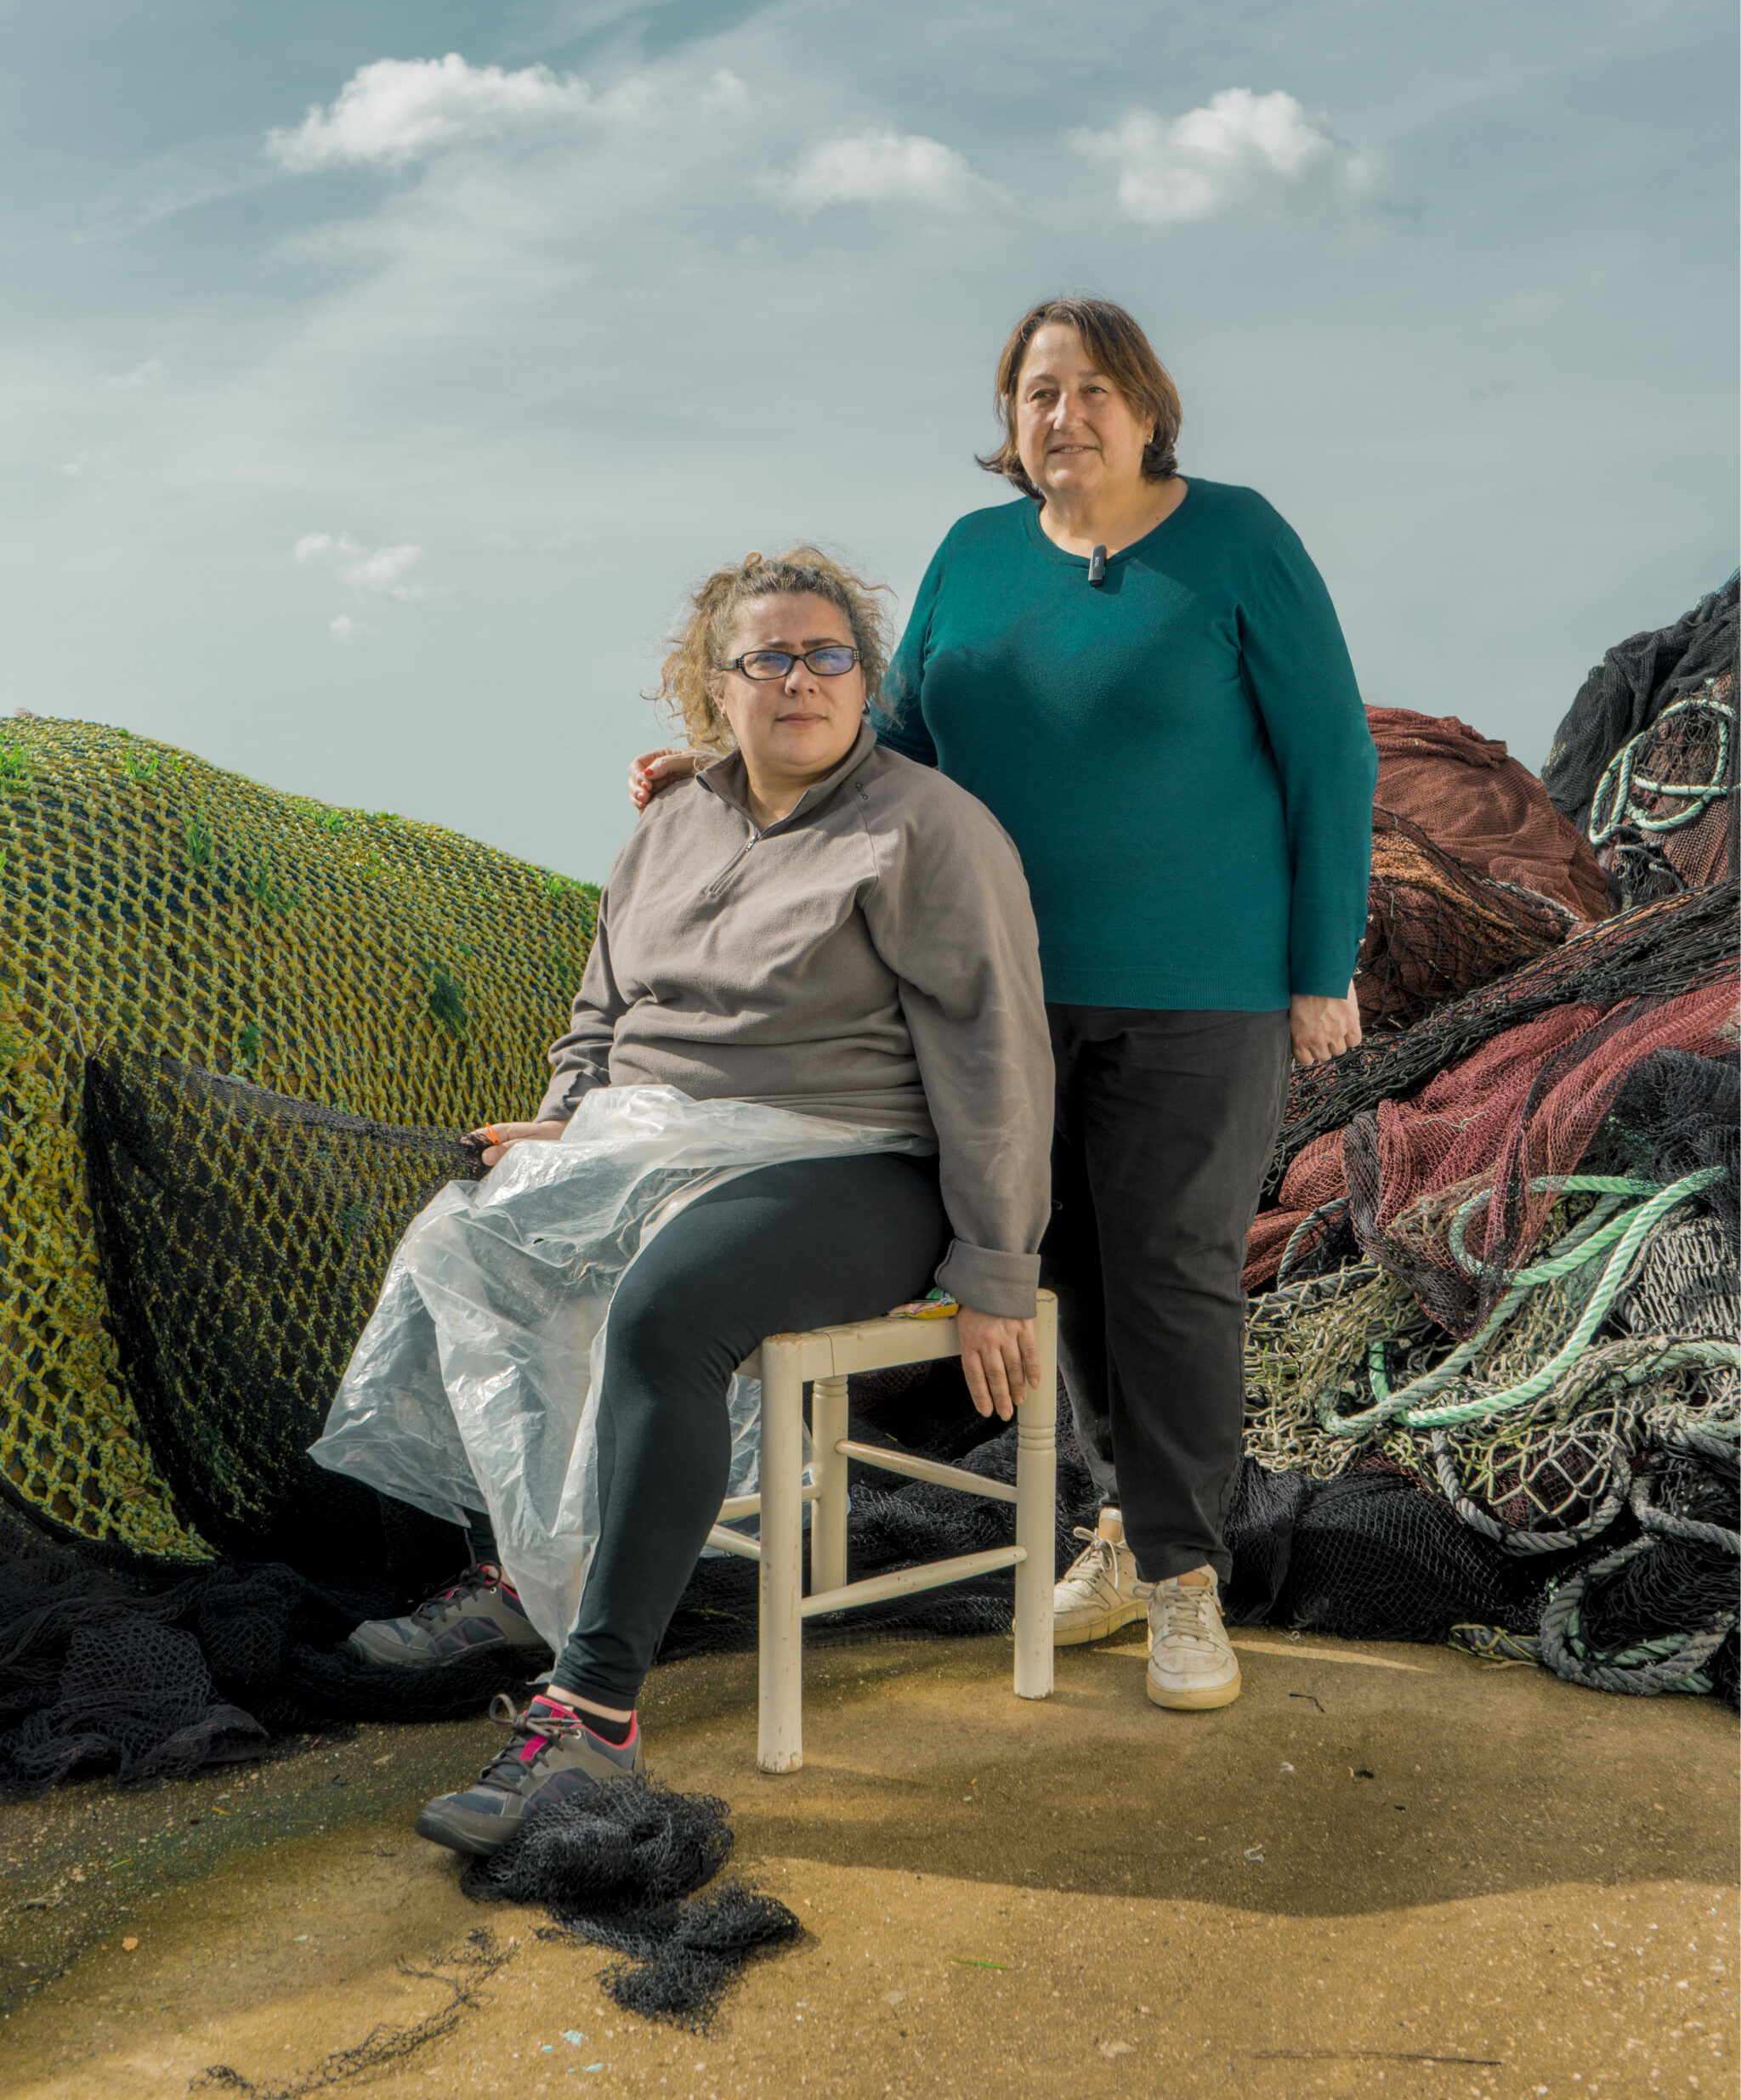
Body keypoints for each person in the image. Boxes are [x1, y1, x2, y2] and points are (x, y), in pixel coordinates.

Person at [631, 300, 1377, 1715]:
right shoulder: (973, 560)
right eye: (1038, 391)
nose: (1064, 414)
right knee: (1064, 1272)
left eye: (1094, 389)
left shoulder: (1239, 541)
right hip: (997, 993)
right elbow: (884, 738)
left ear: (1150, 409)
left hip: (1195, 993)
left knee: (1169, 1270)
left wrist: (1318, 966)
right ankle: (1118, 1527)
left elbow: (1330, 753)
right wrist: (722, 771)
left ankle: (1185, 1584)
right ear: (1011, 420)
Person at [347, 547, 1052, 1857]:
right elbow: (604, 1014)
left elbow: (995, 1054)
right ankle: (522, 1571)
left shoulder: (926, 829)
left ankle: (595, 1713)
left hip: (856, 1160)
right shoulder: (669, 823)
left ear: (864, 681)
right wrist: (560, 1133)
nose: (802, 679)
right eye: (768, 657)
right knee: (481, 1240)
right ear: (710, 691)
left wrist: (996, 1265)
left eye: (829, 655)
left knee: (668, 1309)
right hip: (651, 1138)